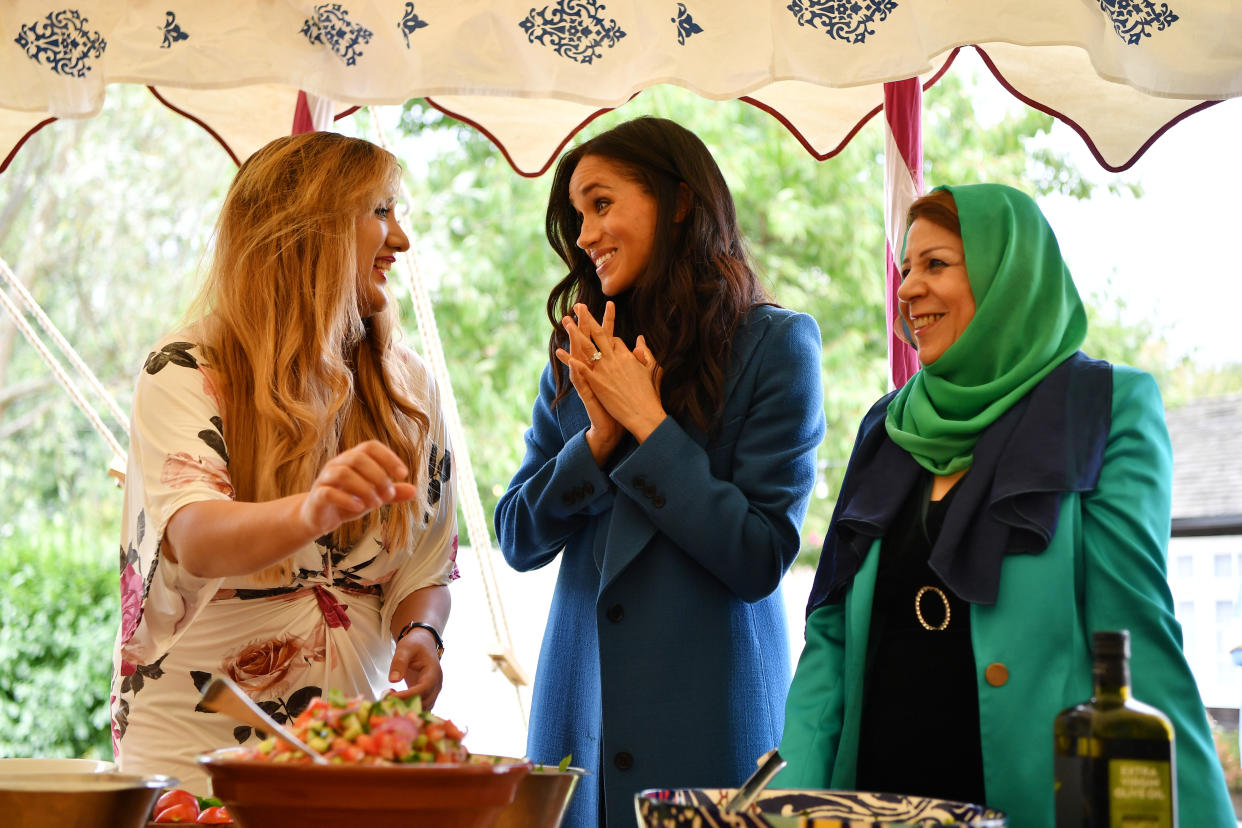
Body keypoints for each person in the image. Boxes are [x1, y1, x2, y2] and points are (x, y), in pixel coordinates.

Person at [776, 184, 1234, 825]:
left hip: (1027, 804)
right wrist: (779, 807)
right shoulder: (887, 427)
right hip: (873, 799)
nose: (907, 290)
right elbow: (828, 645)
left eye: (935, 264)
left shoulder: (1104, 408)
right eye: (905, 270)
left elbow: (1133, 632)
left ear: (1007, 276)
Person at [495, 116, 825, 827]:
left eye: (602, 203)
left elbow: (760, 556)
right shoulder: (579, 346)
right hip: (580, 723)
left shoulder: (777, 347)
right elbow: (517, 537)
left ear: (678, 202)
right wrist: (599, 443)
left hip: (715, 735)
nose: (584, 234)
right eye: (578, 214)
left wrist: (650, 428)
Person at [109, 132, 458, 793]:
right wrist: (310, 512)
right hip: (200, 754)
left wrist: (423, 632)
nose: (401, 239)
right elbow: (194, 536)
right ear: (308, 230)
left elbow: (427, 564)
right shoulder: (187, 368)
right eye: (380, 211)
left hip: (347, 754)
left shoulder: (411, 389)